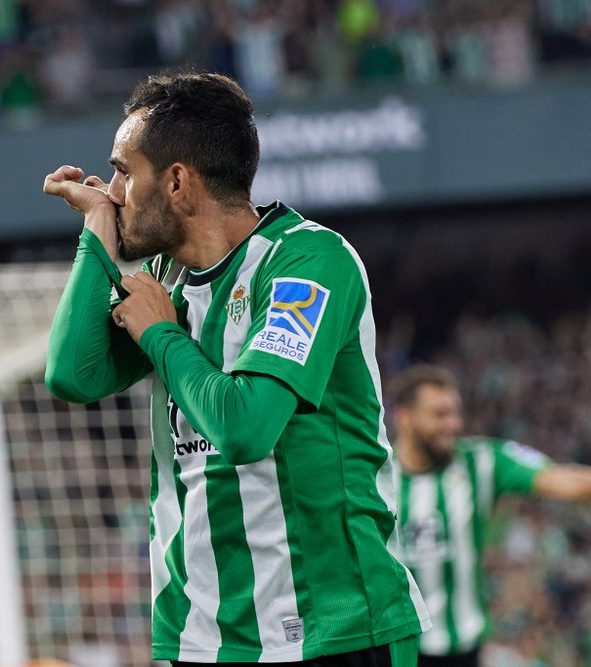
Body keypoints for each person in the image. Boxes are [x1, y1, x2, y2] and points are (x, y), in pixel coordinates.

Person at [42, 70, 429, 666]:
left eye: (123, 172)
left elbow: (247, 429)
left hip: (337, 628)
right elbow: (73, 375)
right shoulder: (165, 281)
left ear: (176, 182)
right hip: (204, 634)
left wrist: (159, 333)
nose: (112, 189)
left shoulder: (308, 262)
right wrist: (97, 230)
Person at [389, 364, 591, 666]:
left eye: (456, 412)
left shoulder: (481, 461)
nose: (454, 424)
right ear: (404, 418)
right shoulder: (374, 477)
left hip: (465, 647)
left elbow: (567, 481)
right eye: (440, 414)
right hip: (399, 648)